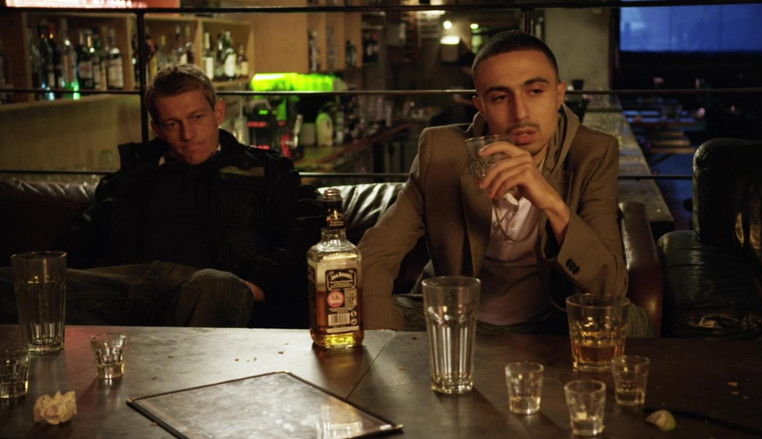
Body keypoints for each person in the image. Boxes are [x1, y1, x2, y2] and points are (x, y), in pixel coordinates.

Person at [358, 30, 652, 336]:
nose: (520, 113)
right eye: (500, 97)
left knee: (629, 324)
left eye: (535, 91)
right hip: (457, 322)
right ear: (481, 106)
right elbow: (374, 258)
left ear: (559, 95)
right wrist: (384, 343)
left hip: (551, 327)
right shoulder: (442, 151)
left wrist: (553, 205)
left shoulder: (592, 153)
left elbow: (610, 288)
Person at [0, 64, 322, 328]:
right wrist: (55, 275)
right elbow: (83, 239)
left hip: (212, 288)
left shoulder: (264, 169)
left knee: (215, 285)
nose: (188, 134)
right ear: (158, 128)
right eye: (172, 123)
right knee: (14, 283)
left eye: (197, 117)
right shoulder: (136, 176)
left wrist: (261, 282)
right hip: (134, 290)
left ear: (219, 112)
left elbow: (312, 223)